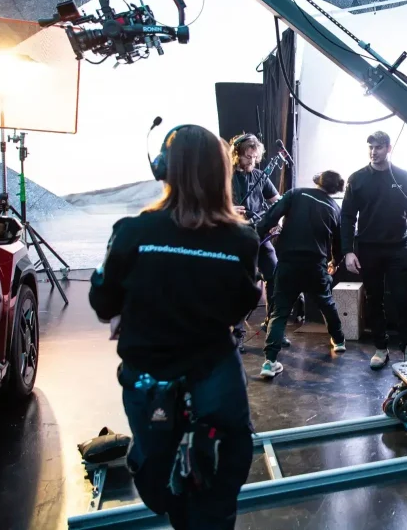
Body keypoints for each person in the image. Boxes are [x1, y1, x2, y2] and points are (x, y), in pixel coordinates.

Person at [89, 125, 261, 530]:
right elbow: (239, 306)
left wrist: (132, 310)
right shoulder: (242, 240)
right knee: (222, 482)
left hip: (152, 382)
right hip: (216, 377)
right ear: (222, 173)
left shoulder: (132, 232)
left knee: (160, 483)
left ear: (164, 169)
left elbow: (102, 302)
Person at [341, 130, 407, 369]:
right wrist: (347, 250)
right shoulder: (357, 179)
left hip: (398, 247)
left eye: (378, 147)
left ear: (389, 148)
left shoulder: (403, 177)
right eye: (370, 147)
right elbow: (347, 217)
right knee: (373, 299)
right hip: (368, 249)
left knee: (402, 299)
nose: (373, 151)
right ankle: (380, 347)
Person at [255, 170, 348, 378]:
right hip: (316, 265)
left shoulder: (296, 194)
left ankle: (269, 362)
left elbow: (270, 217)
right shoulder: (335, 208)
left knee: (279, 312)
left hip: (288, 263)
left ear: (318, 181)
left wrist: (256, 235)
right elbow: (338, 243)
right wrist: (335, 262)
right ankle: (339, 341)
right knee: (326, 303)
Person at [229, 133, 281, 352]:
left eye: (254, 157)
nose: (251, 161)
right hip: (236, 237)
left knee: (275, 276)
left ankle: (273, 328)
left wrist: (277, 220)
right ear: (236, 154)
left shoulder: (260, 175)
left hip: (260, 235)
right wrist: (229, 209)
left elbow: (277, 201)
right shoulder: (225, 177)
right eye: (247, 157)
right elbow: (209, 207)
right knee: (241, 285)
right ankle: (237, 334)